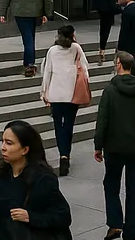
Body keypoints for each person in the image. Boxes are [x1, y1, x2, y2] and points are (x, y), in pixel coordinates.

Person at [94, 51, 135, 240]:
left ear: (119, 64)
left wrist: (98, 145)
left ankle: (115, 223)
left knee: (111, 184)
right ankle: (131, 233)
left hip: (114, 147)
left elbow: (102, 120)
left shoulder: (110, 91)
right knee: (133, 190)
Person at [0, 120, 71, 240]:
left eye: (9, 143)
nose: (3, 148)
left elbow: (63, 216)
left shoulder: (42, 179)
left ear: (25, 150)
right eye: (3, 141)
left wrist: (31, 217)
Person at [39, 25, 90, 176]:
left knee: (58, 125)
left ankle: (63, 154)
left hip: (55, 93)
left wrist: (44, 92)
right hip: (71, 92)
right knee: (68, 125)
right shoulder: (76, 48)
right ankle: (65, 155)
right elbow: (85, 70)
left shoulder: (52, 51)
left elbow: (46, 71)